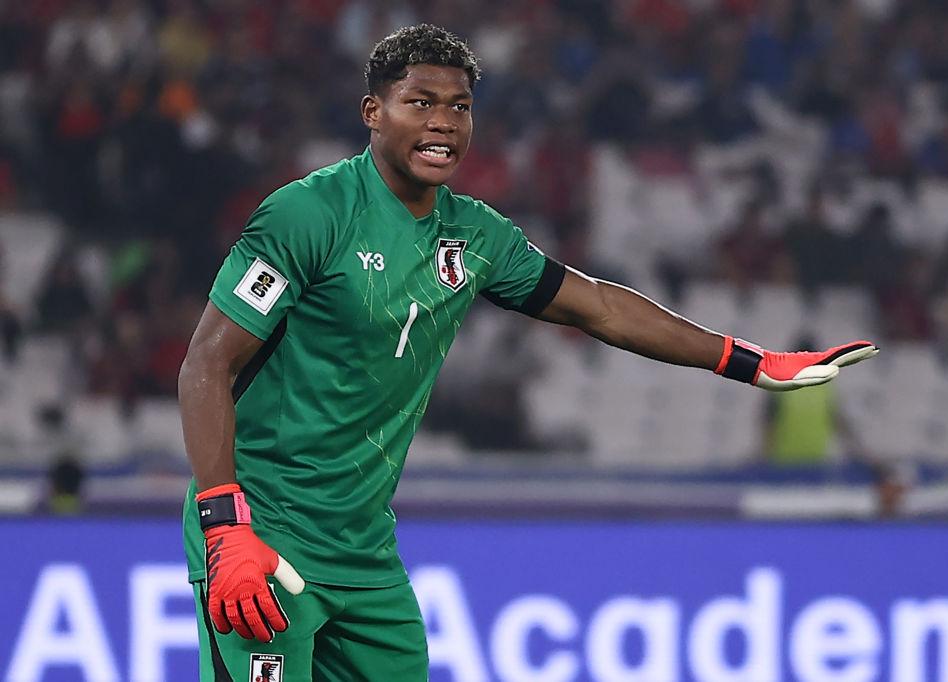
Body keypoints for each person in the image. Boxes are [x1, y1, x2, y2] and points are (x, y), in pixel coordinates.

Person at [178, 24, 879, 681]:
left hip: (362, 551)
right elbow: (207, 363)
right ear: (373, 113)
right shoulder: (309, 214)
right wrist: (224, 526)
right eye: (419, 103)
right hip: (262, 530)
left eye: (459, 107)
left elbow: (599, 306)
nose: (443, 122)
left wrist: (748, 361)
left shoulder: (476, 236)